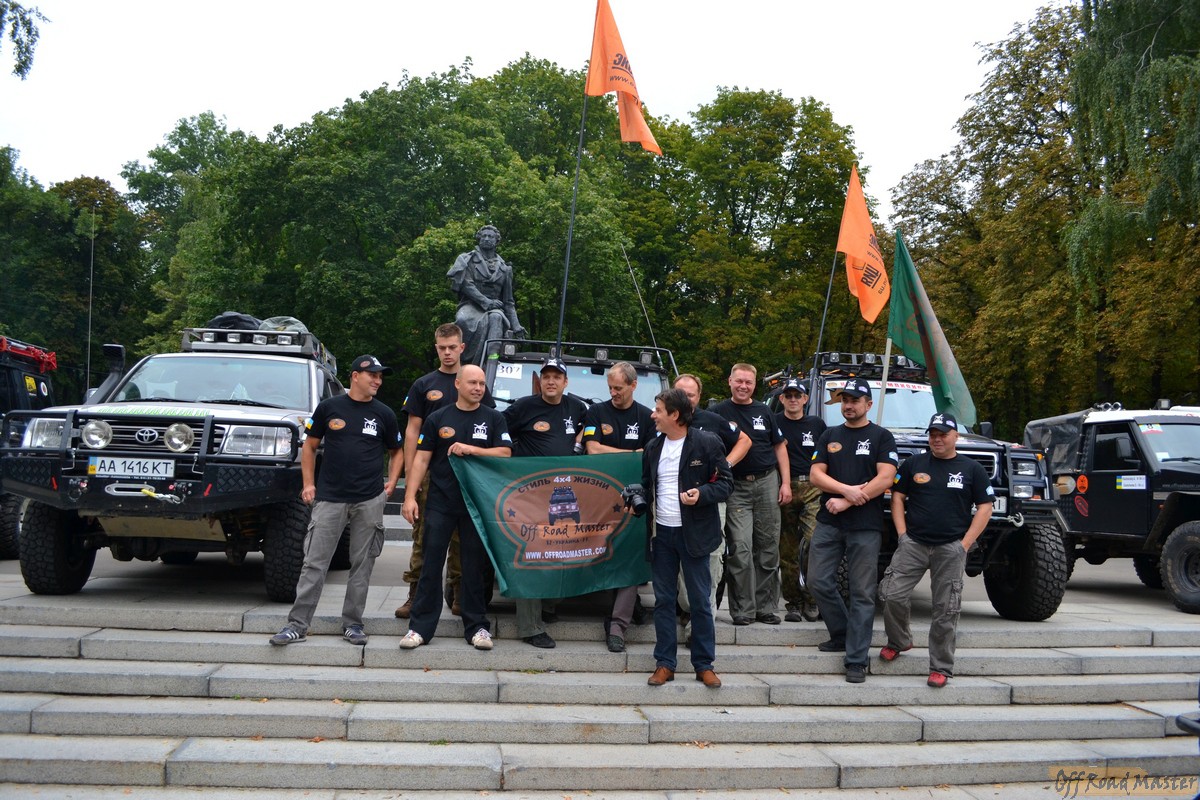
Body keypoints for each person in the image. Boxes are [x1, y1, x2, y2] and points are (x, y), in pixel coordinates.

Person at [270, 355, 403, 647]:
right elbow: (309, 446)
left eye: (380, 376)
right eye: (372, 375)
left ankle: (353, 624)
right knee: (314, 563)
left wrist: (392, 482)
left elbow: (397, 451)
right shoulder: (329, 408)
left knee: (362, 565)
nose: (378, 380)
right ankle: (297, 625)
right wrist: (308, 483)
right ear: (355, 376)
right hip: (330, 498)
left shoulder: (384, 413)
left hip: (369, 499)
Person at [399, 364, 511, 651]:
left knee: (474, 567)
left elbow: (505, 453)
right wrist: (409, 497)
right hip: (441, 502)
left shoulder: (494, 418)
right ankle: (420, 628)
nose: (478, 388)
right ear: (458, 384)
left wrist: (472, 449)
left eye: (482, 384)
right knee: (430, 564)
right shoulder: (438, 418)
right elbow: (422, 459)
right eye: (472, 383)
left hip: (477, 503)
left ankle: (477, 628)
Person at [880, 412, 993, 688]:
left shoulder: (972, 469)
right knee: (891, 594)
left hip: (950, 547)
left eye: (943, 434)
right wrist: (902, 534)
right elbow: (897, 497)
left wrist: (964, 544)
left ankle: (940, 667)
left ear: (956, 436)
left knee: (946, 609)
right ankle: (899, 640)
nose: (937, 439)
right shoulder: (914, 464)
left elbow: (985, 507)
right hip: (913, 544)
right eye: (933, 434)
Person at [394, 323, 494, 620]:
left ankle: (459, 593)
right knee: (424, 535)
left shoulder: (475, 381)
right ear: (436, 348)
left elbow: (489, 425)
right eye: (442, 348)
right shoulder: (424, 384)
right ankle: (416, 594)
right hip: (430, 470)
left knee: (464, 537)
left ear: (462, 347)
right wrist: (411, 475)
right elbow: (412, 431)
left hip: (468, 474)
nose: (447, 353)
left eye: (452, 347)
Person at [636, 388, 733, 688]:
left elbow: (726, 484)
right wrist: (636, 500)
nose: (653, 415)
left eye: (658, 410)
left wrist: (701, 494)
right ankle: (665, 663)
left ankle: (704, 665)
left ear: (675, 414)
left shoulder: (706, 442)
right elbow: (646, 485)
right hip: (661, 535)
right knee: (664, 601)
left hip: (695, 535)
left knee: (700, 601)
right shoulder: (653, 447)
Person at [808, 377, 899, 683]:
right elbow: (816, 475)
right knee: (817, 581)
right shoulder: (830, 435)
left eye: (855, 400)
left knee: (862, 593)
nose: (848, 405)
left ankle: (856, 659)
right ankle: (842, 633)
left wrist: (848, 501)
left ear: (868, 404)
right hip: (829, 521)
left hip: (865, 526)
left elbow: (886, 478)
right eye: (845, 400)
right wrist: (846, 490)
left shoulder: (882, 437)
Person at [502, 357, 588, 648]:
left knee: (561, 550)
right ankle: (530, 626)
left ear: (565, 382)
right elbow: (499, 434)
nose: (551, 381)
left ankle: (549, 604)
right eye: (547, 376)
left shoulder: (577, 408)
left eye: (557, 377)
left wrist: (578, 444)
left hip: (564, 493)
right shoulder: (523, 407)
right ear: (540, 381)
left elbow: (588, 430)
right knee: (532, 556)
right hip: (529, 495)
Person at [581, 361, 655, 652]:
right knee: (601, 551)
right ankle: (629, 605)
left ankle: (617, 625)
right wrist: (632, 453)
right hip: (599, 496)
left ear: (634, 385)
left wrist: (625, 454)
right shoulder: (596, 412)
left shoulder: (647, 417)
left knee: (630, 556)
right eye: (610, 387)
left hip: (636, 500)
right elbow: (592, 449)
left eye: (619, 388)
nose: (613, 392)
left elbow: (650, 456)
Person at [711, 363, 791, 626]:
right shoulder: (717, 412)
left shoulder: (764, 411)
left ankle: (765, 607)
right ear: (730, 381)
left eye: (748, 382)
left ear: (755, 385)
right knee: (741, 549)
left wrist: (785, 483)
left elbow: (779, 447)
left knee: (767, 547)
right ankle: (743, 609)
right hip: (736, 487)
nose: (743, 386)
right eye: (739, 381)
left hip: (767, 482)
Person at [673, 373, 750, 633]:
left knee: (713, 559)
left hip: (710, 501)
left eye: (691, 395)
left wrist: (725, 464)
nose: (686, 400)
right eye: (680, 394)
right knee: (681, 564)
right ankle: (690, 607)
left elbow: (745, 440)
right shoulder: (662, 421)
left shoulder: (713, 421)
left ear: (699, 397)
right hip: (674, 504)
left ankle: (700, 626)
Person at [776, 379, 827, 623]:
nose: (793, 399)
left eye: (798, 395)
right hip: (784, 487)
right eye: (789, 395)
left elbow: (827, 456)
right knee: (787, 549)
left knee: (813, 543)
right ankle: (793, 602)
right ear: (782, 398)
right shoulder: (774, 422)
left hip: (813, 487)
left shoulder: (817, 424)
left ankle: (812, 599)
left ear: (806, 399)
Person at [448, 225, 527, 365]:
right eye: (483, 236)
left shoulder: (505, 269)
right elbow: (466, 285)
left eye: (490, 236)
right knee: (462, 319)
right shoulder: (467, 260)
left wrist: (516, 326)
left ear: (496, 241)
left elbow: (508, 301)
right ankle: (464, 363)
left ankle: (491, 362)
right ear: (479, 239)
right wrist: (487, 302)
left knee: (496, 317)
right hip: (471, 305)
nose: (486, 238)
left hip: (495, 309)